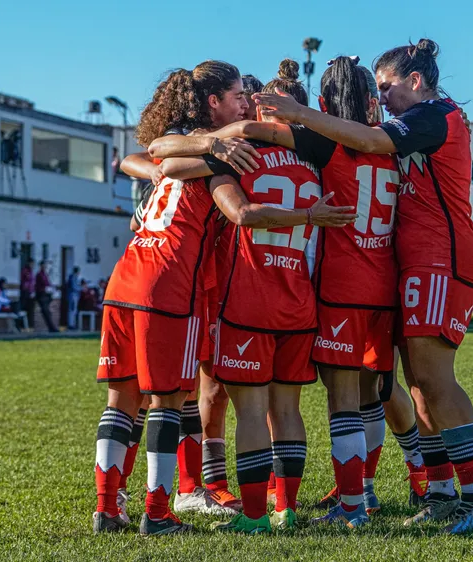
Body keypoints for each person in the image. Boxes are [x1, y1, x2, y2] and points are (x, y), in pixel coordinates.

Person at [94, 60, 354, 537]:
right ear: (215, 103)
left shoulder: (220, 148)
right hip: (191, 287)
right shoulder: (272, 151)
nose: (245, 101)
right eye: (238, 95)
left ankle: (113, 506)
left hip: (131, 277)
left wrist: (197, 152)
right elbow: (231, 203)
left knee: (131, 399)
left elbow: (157, 159)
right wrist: (311, 216)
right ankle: (168, 506)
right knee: (177, 400)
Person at [253, 38, 473, 534]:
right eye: (377, 90)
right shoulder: (418, 126)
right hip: (408, 266)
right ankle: (440, 489)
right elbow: (368, 140)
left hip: (440, 260)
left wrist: (297, 114)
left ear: (416, 81)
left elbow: (366, 141)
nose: (383, 99)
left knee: (434, 380)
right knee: (416, 384)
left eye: (388, 87)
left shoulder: (436, 115)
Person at [35, 261, 58, 332]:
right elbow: (42, 285)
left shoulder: (45, 274)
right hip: (42, 295)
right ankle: (52, 328)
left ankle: (52, 328)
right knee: (46, 312)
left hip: (46, 295)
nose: (45, 267)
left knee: (47, 312)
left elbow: (48, 284)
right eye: (44, 265)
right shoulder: (40, 275)